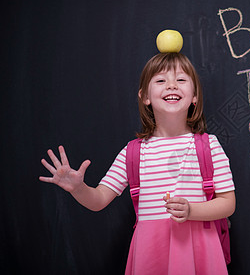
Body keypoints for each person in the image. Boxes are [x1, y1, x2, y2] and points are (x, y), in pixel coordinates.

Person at [40, 52, 236, 274]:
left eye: (181, 80)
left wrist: (191, 211)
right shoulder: (133, 153)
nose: (172, 85)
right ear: (145, 97)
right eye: (161, 80)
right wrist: (78, 189)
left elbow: (228, 203)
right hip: (151, 252)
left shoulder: (209, 145)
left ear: (194, 96)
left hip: (198, 250)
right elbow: (99, 200)